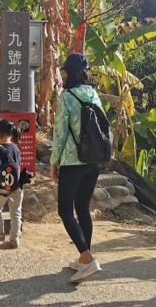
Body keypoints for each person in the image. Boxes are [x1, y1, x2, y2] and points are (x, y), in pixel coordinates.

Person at [49, 52, 104, 282]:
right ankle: (84, 259)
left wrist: (54, 163)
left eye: (64, 71)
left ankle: (88, 259)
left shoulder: (67, 97)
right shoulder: (94, 95)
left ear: (70, 73)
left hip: (73, 162)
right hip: (94, 161)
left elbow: (60, 133)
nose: (62, 75)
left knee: (65, 211)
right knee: (82, 208)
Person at [0, 119, 23, 249]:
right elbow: (18, 166)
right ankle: (14, 239)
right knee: (16, 212)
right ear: (11, 134)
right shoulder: (16, 148)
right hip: (18, 185)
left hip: (3, 187)